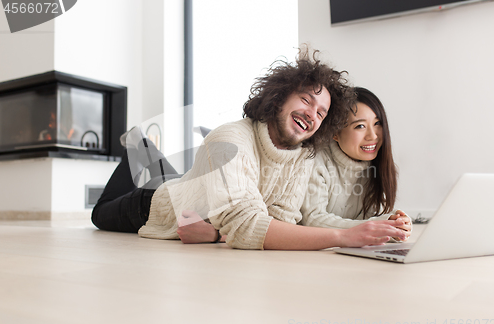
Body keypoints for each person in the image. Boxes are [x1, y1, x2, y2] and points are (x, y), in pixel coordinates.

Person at [92, 48, 407, 250]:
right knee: (100, 213)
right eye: (306, 100)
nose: (312, 114)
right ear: (279, 96)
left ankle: (152, 157)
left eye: (321, 112)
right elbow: (246, 227)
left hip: (197, 198)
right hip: (152, 206)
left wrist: (217, 234)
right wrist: (342, 237)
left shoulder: (301, 157)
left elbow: (281, 219)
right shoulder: (229, 140)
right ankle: (135, 146)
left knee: (188, 180)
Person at [300, 87, 411, 239]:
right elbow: (312, 220)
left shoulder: (376, 165)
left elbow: (371, 218)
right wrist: (378, 226)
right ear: (335, 133)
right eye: (360, 126)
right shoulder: (315, 160)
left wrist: (396, 224)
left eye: (377, 123)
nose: (373, 136)